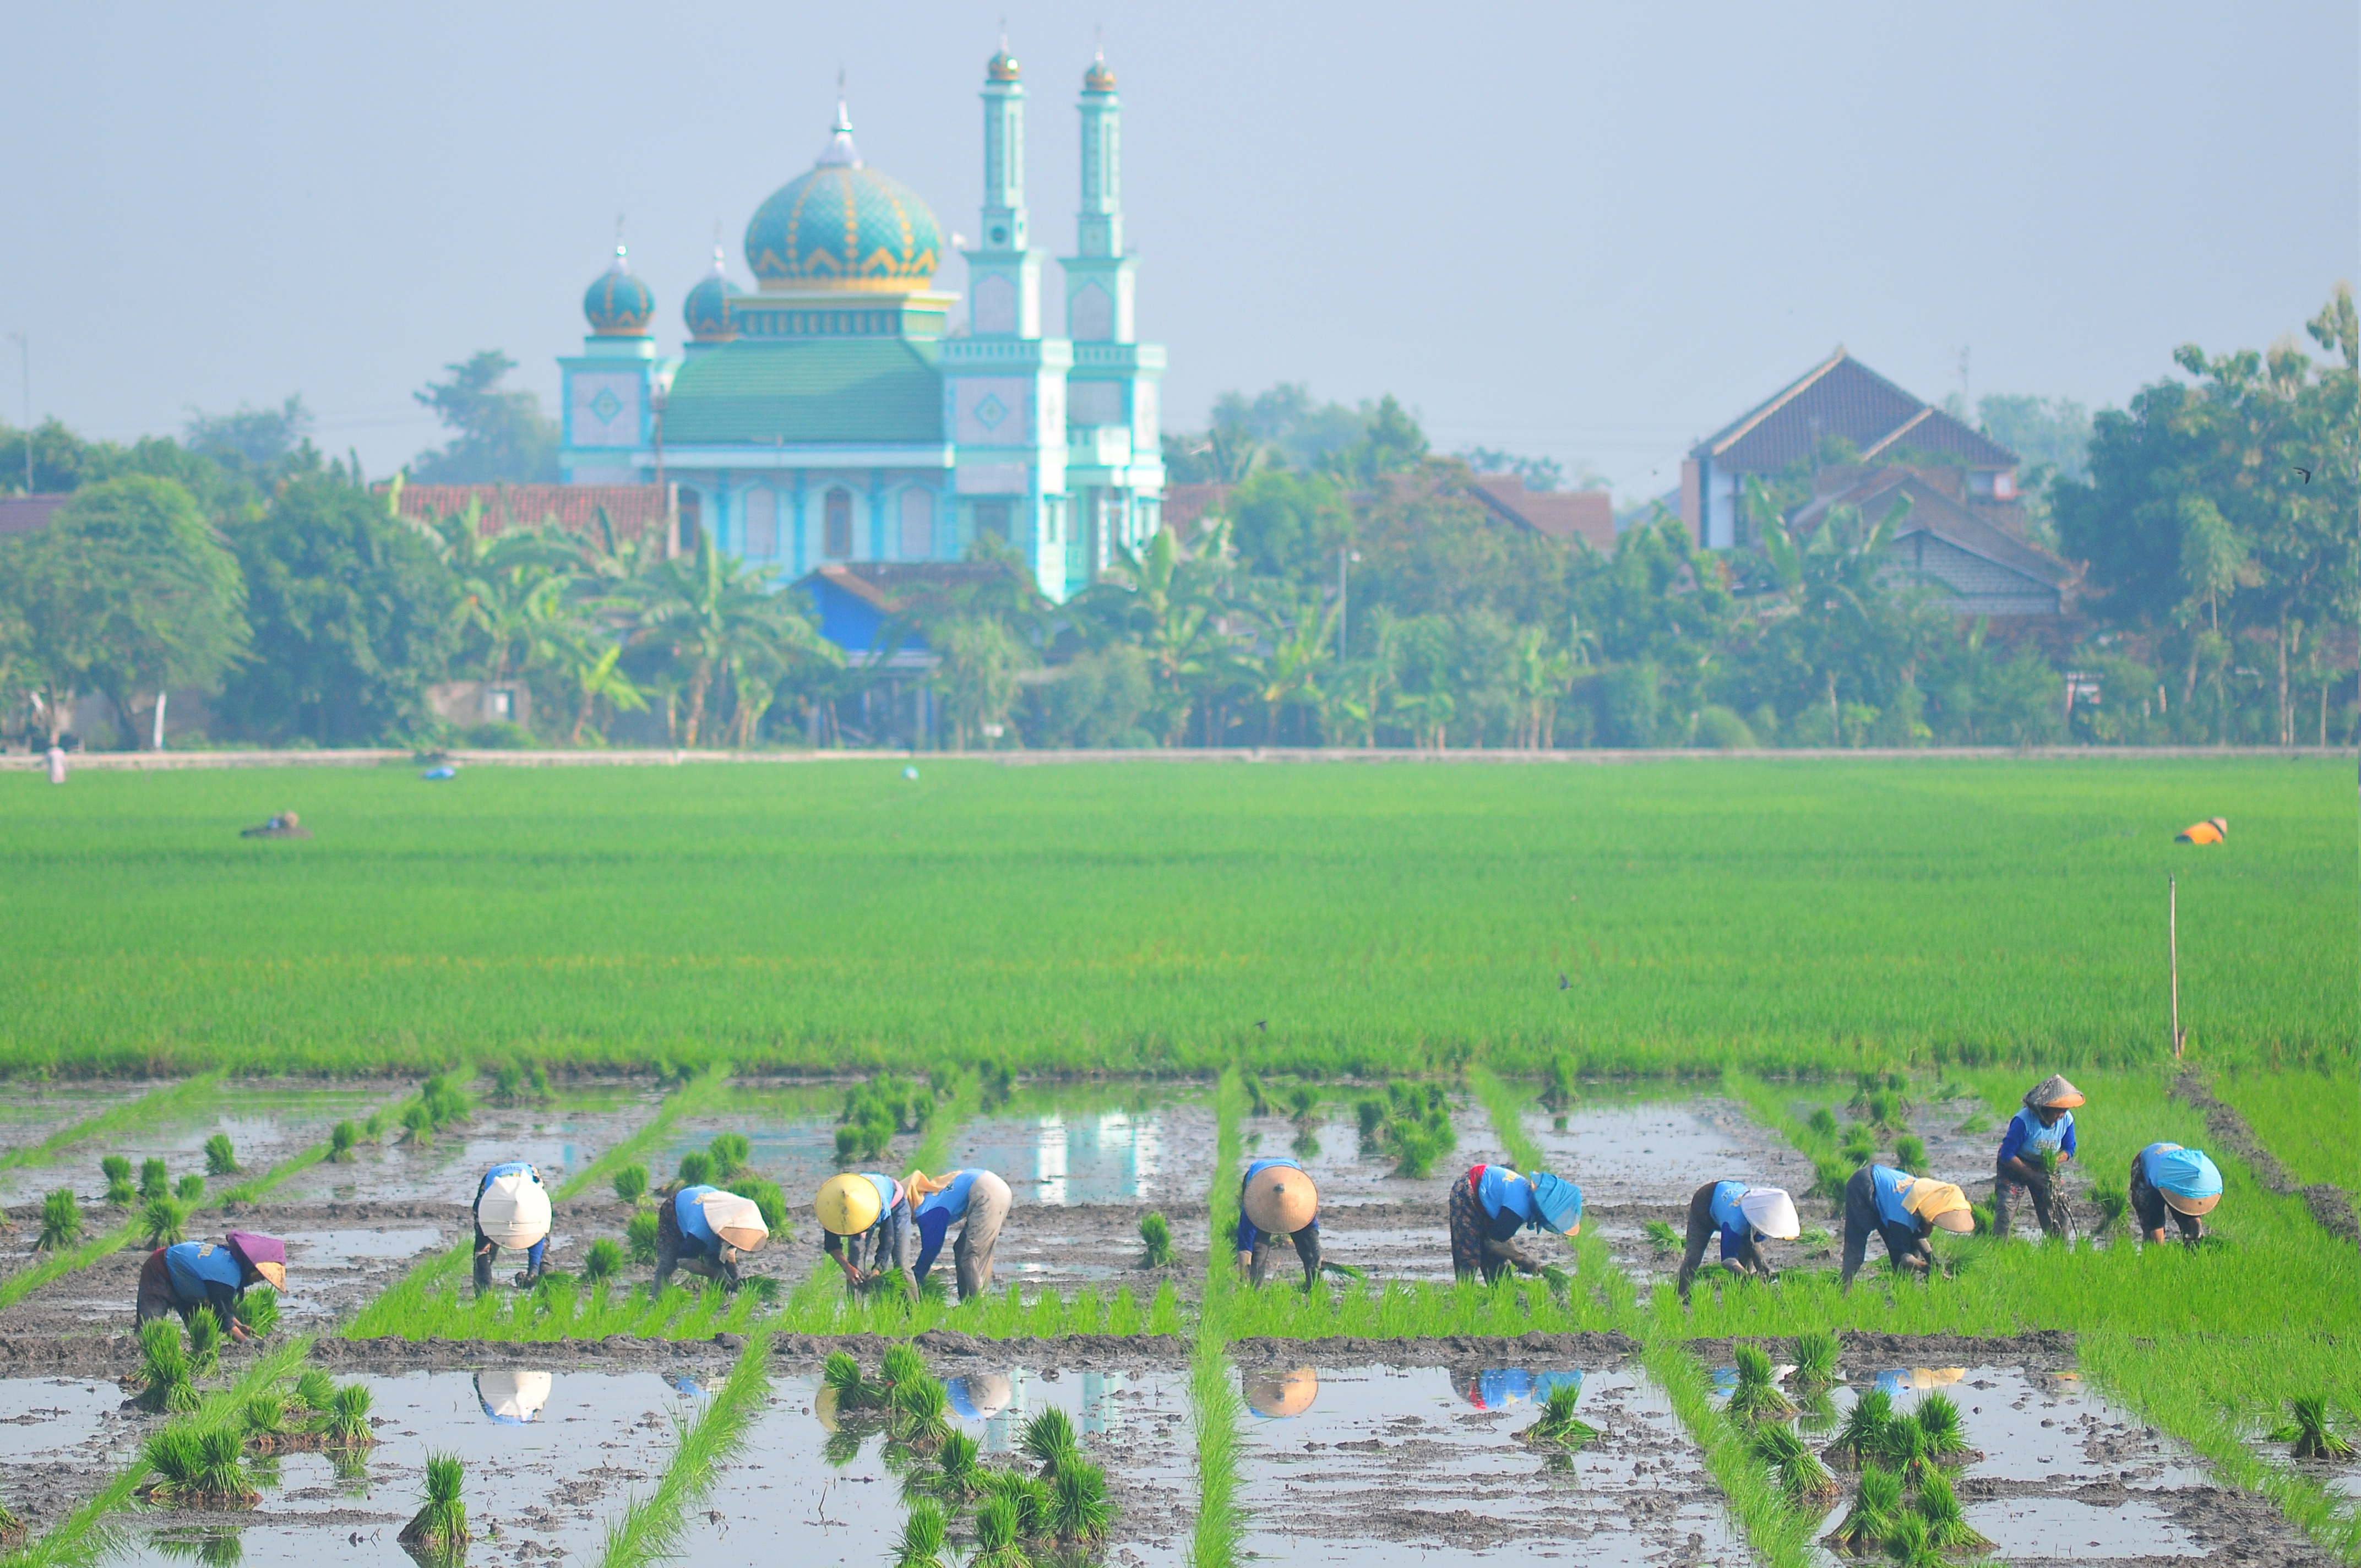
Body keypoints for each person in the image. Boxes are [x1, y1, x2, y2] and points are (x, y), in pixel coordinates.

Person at [1839, 1165, 1972, 1289]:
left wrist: (1935, 1263)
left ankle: (1903, 1292)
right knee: (1856, 1251)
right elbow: (1904, 1257)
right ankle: (1843, 1290)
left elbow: (1917, 1236)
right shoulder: (1903, 1216)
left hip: (1886, 1197)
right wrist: (1927, 1268)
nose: (1931, 1230)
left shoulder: (1921, 1199)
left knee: (1911, 1253)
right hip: (1865, 1186)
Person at [1448, 1162, 1582, 1283]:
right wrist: (1522, 1259)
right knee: (1469, 1255)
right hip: (1468, 1190)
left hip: (1488, 1197)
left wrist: (1517, 1256)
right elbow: (1492, 1243)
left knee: (1498, 1263)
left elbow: (1502, 1236)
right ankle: (1464, 1294)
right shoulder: (1519, 1209)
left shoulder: (1526, 1199)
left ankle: (1502, 1295)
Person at [135, 1232, 286, 1336]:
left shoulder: (231, 1266)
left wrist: (240, 1326)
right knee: (149, 1331)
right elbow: (223, 1318)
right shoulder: (225, 1276)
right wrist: (247, 1343)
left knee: (201, 1332)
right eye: (260, 1276)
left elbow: (222, 1308)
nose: (259, 1280)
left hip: (187, 1284)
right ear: (251, 1268)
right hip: (160, 1272)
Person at [1675, 1182, 1801, 1302]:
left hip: (1732, 1200)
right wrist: (1747, 1277)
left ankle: (1743, 1296)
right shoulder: (1736, 1223)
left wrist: (1763, 1267)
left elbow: (1754, 1245)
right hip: (1705, 1203)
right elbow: (1728, 1260)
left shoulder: (1763, 1222)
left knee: (1746, 1256)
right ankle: (1683, 1295)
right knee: (1693, 1258)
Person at [1994, 1075, 2083, 1239]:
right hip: (2015, 1166)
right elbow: (2007, 1154)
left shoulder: (2067, 1120)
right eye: (2059, 1110)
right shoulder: (2024, 1121)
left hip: (2045, 1169)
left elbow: (2070, 1149)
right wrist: (2031, 1175)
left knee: (2056, 1213)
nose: (2062, 1115)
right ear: (2046, 1108)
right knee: (2005, 1212)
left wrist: (2053, 1161)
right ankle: (1998, 1247)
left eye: (2065, 1110)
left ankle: (2059, 1251)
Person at [906, 1168, 1013, 1300]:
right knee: (961, 1248)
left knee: (971, 1255)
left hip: (988, 1192)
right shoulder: (930, 1197)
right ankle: (966, 1300)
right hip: (991, 1184)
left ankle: (978, 1307)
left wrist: (915, 1279)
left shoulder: (926, 1212)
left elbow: (932, 1249)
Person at [655, 1181, 765, 1291]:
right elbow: (684, 1261)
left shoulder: (737, 1225)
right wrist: (715, 1273)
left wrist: (733, 1273)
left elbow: (729, 1252)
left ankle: (720, 1300)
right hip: (677, 1208)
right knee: (668, 1263)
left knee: (718, 1263)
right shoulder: (701, 1233)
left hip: (709, 1199)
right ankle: (658, 1298)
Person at [1234, 1156, 1321, 1290]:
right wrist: (1243, 1275)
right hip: (1258, 1178)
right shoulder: (1254, 1203)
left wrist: (1317, 1254)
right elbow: (1245, 1245)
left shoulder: (1302, 1200)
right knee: (1259, 1248)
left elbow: (1312, 1230)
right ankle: (1253, 1291)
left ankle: (1314, 1287)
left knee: (1306, 1247)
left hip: (1293, 1176)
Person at [815, 1172, 912, 1290]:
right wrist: (848, 1268)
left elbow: (888, 1243)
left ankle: (915, 1306)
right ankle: (855, 1308)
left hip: (896, 1202)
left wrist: (878, 1269)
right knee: (855, 1264)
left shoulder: (879, 1207)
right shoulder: (830, 1210)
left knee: (901, 1264)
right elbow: (832, 1245)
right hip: (859, 1202)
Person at [473, 1161, 552, 1292]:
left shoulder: (535, 1204)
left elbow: (538, 1238)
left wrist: (533, 1271)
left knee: (543, 1249)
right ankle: (483, 1298)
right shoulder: (487, 1205)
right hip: (493, 1195)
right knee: (482, 1253)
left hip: (528, 1187)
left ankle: (548, 1294)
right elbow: (483, 1241)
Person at [2130, 1142, 2222, 1246]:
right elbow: (2154, 1217)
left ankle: (2194, 1247)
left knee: (2191, 1224)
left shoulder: (2202, 1174)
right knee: (2150, 1229)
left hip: (2177, 1164)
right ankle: (2154, 1253)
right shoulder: (2157, 1179)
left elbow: (2192, 1209)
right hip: (2147, 1164)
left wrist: (2194, 1231)